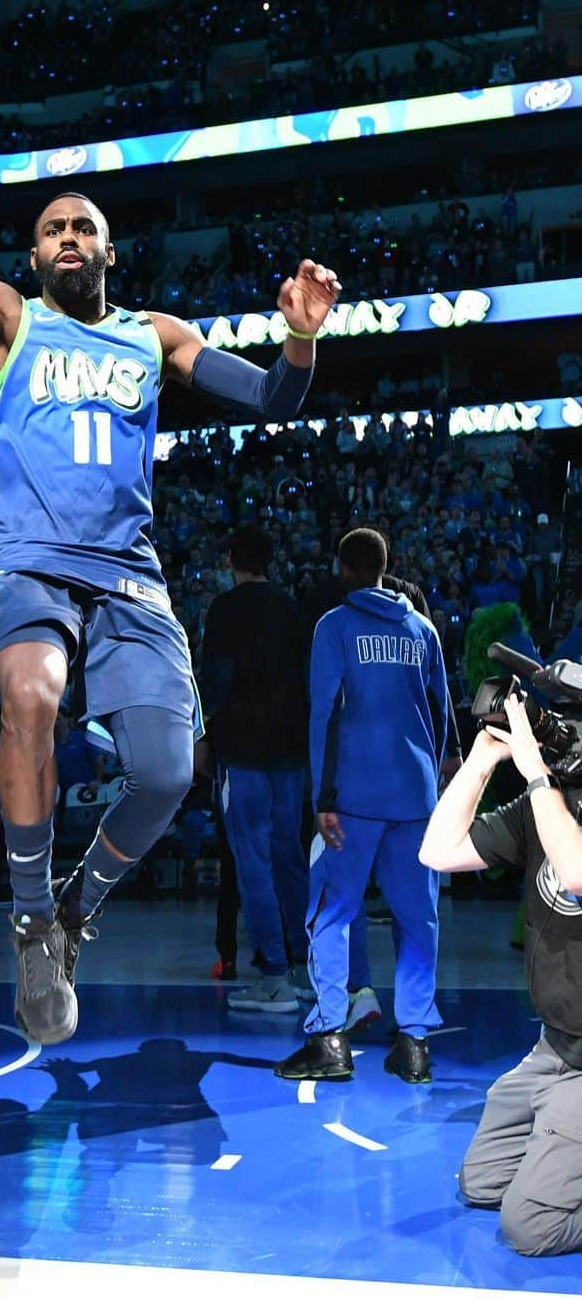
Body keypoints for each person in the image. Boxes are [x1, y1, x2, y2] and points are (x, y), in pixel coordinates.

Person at [0, 189, 340, 1045]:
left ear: (110, 252)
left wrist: (301, 336)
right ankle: (32, 920)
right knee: (30, 697)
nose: (68, 239)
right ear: (34, 258)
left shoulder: (152, 334)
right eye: (52, 231)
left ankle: (74, 909)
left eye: (84, 229)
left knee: (167, 774)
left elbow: (271, 398)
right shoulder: (5, 320)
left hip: (129, 581)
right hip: (29, 564)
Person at [276, 528, 448, 1084]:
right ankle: (414, 1043)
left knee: (331, 912)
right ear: (385, 566)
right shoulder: (423, 631)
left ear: (341, 569)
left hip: (352, 799)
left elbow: (321, 714)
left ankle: (330, 1037)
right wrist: (433, 790)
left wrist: (323, 797)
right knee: (417, 917)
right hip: (416, 798)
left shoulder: (335, 627)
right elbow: (443, 717)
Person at [420, 693, 582, 1257]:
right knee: (483, 1182)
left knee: (531, 1227)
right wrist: (482, 759)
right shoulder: (550, 804)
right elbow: (437, 852)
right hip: (557, 1047)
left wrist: (536, 775)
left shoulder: (549, 801)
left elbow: (577, 871)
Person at [200, 524, 312, 1012]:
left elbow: (217, 681)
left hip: (242, 751)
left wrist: (205, 735)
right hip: (290, 750)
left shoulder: (223, 610)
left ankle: (273, 976)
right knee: (290, 859)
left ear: (232, 560)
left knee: (253, 861)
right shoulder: (291, 608)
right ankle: (303, 966)